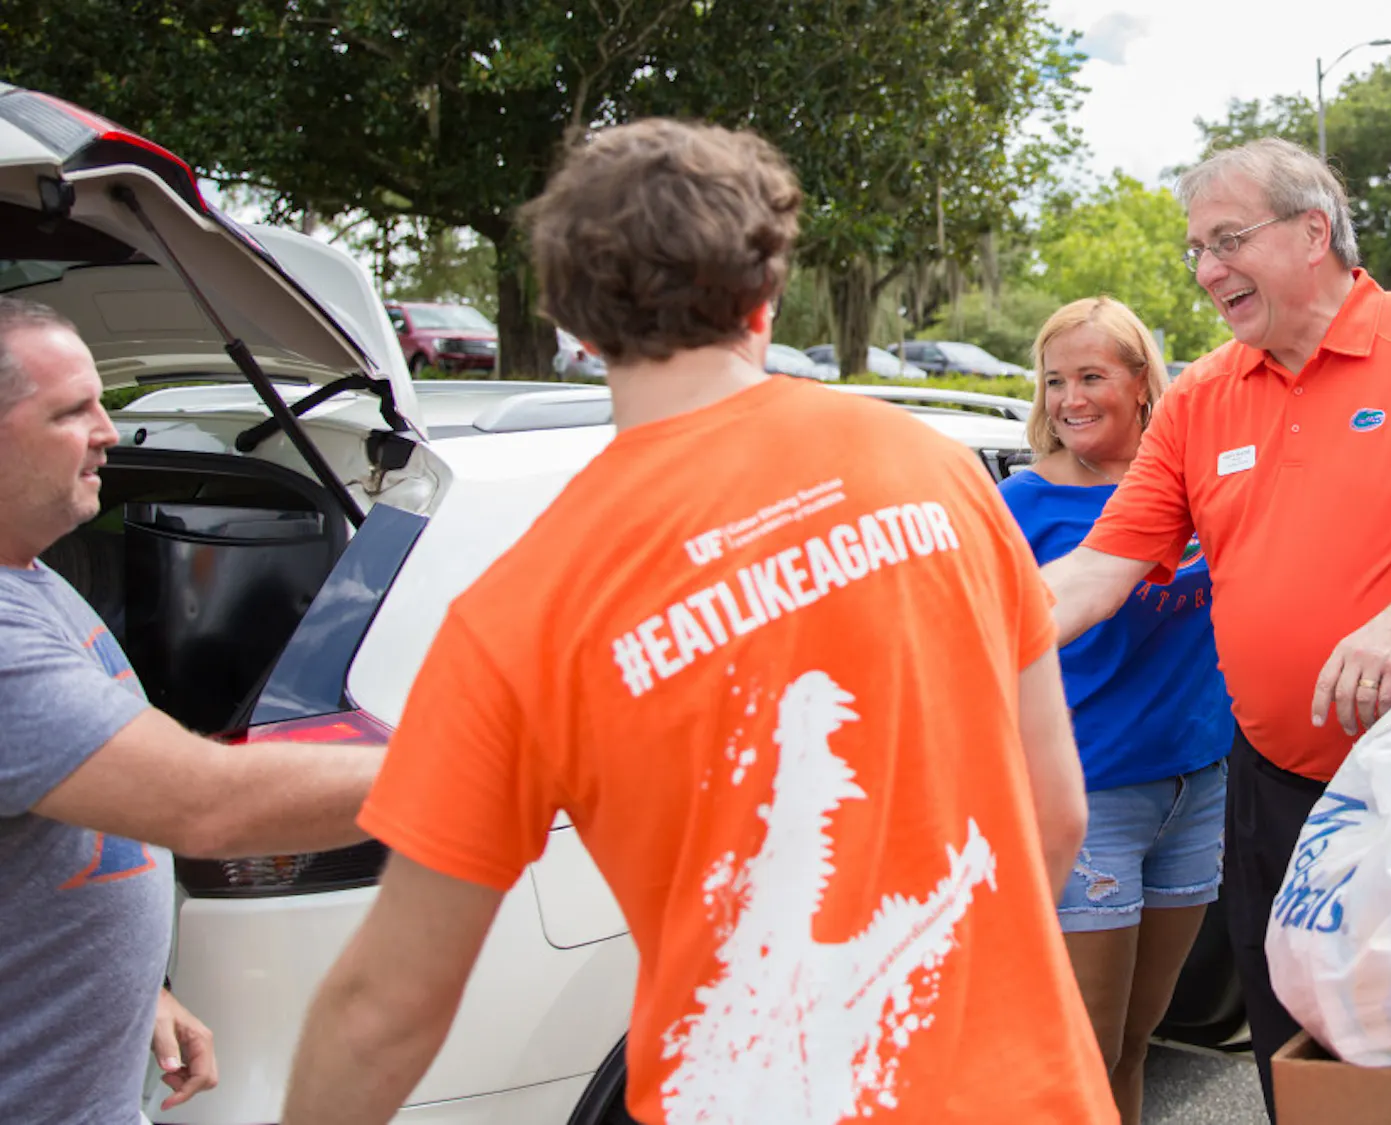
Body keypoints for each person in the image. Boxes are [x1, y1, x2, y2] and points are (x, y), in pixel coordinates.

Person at [281, 118, 1117, 1125]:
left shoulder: (518, 611)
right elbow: (1056, 812)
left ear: (572, 322)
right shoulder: (929, 466)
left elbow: (386, 1008)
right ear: (765, 296)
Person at [1038, 137, 1391, 1118]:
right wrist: (951, 630)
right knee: (1296, 1072)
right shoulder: (1203, 397)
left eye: (1227, 240)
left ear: (1312, 232)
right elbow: (1093, 574)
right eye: (1196, 250)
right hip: (1278, 797)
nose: (1206, 271)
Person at [0, 296, 384, 1124]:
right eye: (72, 411)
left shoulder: (34, 579)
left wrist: (141, 993)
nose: (109, 431)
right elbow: (205, 804)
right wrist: (487, 763)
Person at [999, 297, 1233, 1125]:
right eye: (1055, 380)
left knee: (1138, 1042)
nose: (1070, 398)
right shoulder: (1020, 504)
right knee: (1082, 1056)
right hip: (1091, 800)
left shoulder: (1194, 483)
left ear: (1143, 383)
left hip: (1197, 791)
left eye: (1092, 375)